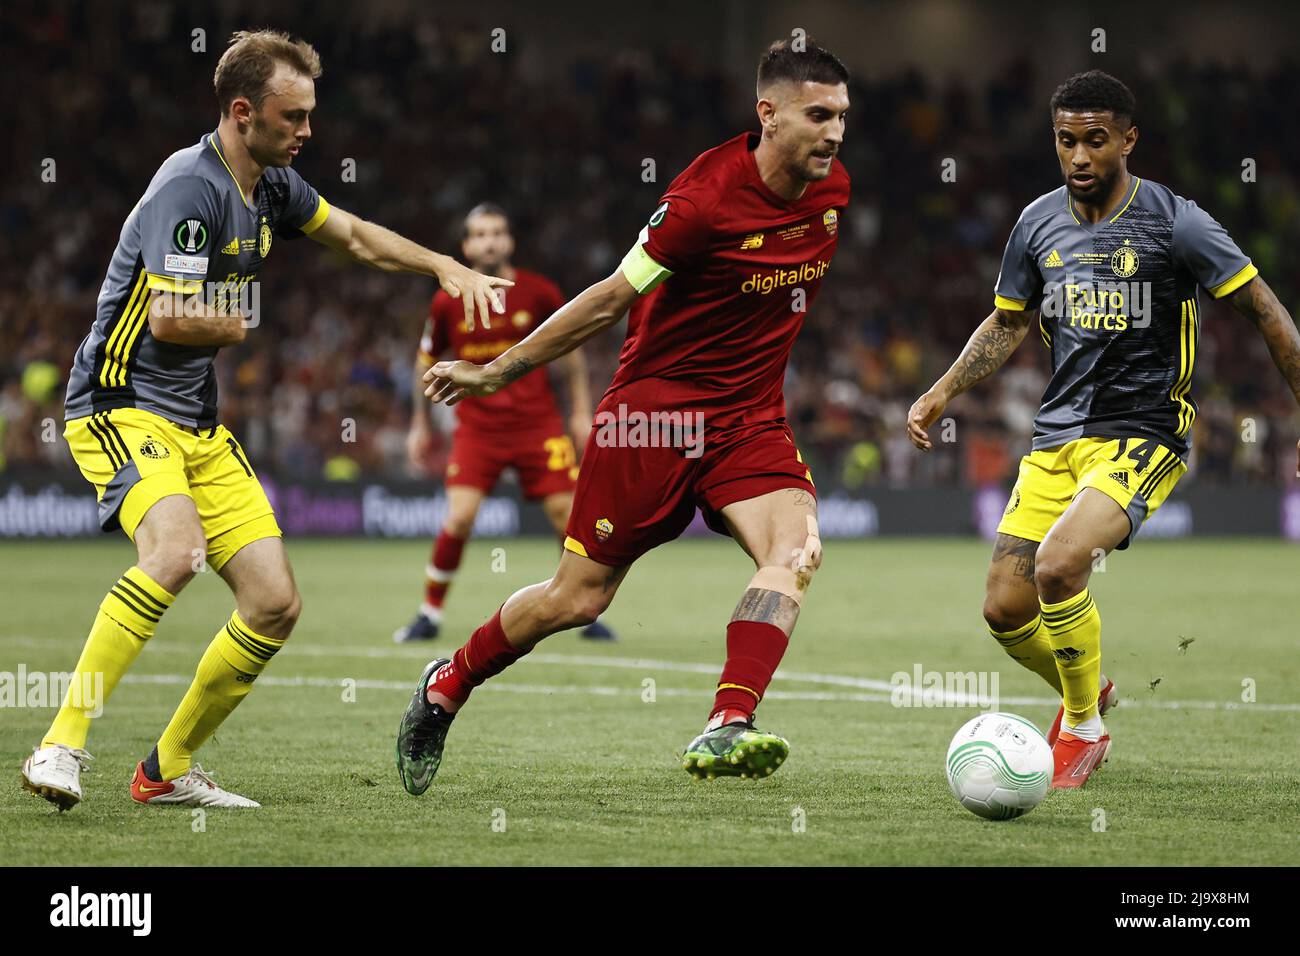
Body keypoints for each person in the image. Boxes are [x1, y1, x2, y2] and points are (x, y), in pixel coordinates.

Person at [21, 29, 509, 811]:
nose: (308, 131)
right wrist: (236, 317)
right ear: (243, 112)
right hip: (119, 403)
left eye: (311, 114)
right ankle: (61, 744)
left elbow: (353, 236)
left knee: (274, 603)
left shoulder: (275, 186)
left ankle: (165, 770)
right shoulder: (191, 186)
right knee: (175, 553)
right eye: (294, 116)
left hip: (197, 424)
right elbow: (174, 319)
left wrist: (444, 266)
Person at [395, 37, 851, 794]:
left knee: (798, 551)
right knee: (578, 598)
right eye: (818, 116)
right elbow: (611, 297)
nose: (834, 133)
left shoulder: (832, 191)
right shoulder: (700, 202)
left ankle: (727, 722)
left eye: (841, 117)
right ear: (768, 114)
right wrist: (496, 370)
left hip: (748, 418)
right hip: (654, 419)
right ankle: (448, 682)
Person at [907, 70, 1300, 788]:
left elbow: (1268, 312)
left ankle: (1083, 728)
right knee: (1003, 607)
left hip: (1144, 432)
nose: (1080, 156)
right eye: (1066, 141)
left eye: (1095, 140)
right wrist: (941, 391)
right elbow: (1008, 321)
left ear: (1128, 139)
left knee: (1060, 566)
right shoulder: (1036, 223)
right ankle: (1089, 687)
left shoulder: (1177, 222)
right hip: (1057, 438)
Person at [395, 202, 614, 643]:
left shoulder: (538, 292)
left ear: (509, 240)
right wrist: (419, 423)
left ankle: (582, 609)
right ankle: (429, 614)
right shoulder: (447, 299)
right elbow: (426, 358)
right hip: (478, 429)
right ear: (466, 245)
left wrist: (579, 411)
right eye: (480, 234)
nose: (489, 240)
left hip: (538, 424)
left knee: (565, 517)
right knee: (459, 518)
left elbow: (570, 350)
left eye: (497, 232)